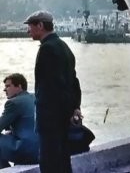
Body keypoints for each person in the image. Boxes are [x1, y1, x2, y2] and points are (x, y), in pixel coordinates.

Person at [25, 10, 81, 173]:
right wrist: (74, 107)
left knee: (49, 158)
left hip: (50, 114)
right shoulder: (64, 47)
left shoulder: (47, 49)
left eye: (30, 26)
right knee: (63, 156)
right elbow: (73, 81)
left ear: (40, 25)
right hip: (63, 113)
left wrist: (45, 111)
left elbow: (51, 86)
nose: (28, 31)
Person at [0, 73, 38, 168]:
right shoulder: (36, 97)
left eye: (8, 86)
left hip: (27, 152)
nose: (5, 89)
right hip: (44, 149)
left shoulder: (13, 103)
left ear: (19, 86)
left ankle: (5, 170)